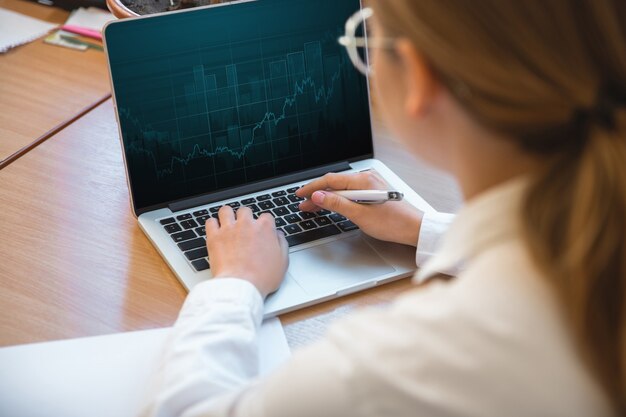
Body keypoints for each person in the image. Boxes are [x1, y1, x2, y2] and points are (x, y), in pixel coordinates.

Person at [142, 1, 626, 416]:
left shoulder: (409, 363)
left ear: (417, 75)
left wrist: (233, 284)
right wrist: (427, 230)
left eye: (366, 33)